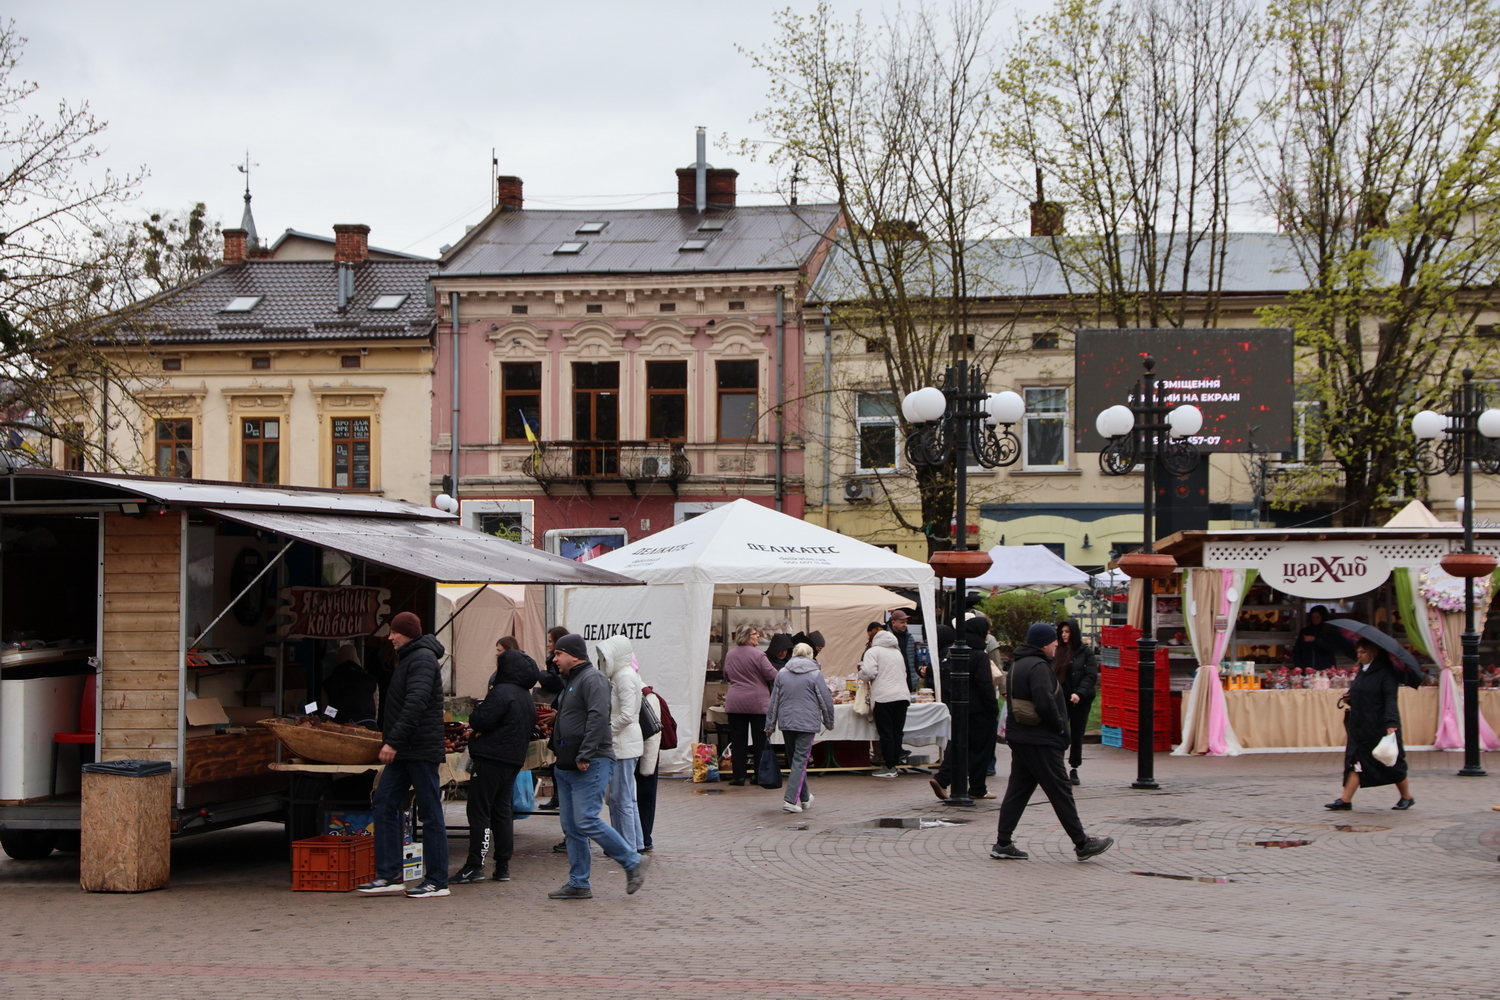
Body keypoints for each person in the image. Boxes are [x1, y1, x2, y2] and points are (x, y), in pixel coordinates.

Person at [990, 622, 1114, 863]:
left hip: (1022, 737)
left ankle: (1003, 842)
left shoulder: (1017, 664)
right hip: (1041, 739)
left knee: (1018, 791)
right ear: (1043, 644)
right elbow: (1045, 702)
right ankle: (1081, 843)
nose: (1057, 643)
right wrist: (1060, 727)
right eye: (1052, 640)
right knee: (1060, 790)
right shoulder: (1038, 667)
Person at [546, 633, 648, 899]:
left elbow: (598, 716)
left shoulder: (593, 679)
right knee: (572, 826)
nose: (554, 659)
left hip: (590, 762)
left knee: (586, 819)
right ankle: (579, 882)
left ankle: (632, 861)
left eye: (558, 654)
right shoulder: (572, 680)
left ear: (573, 656)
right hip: (568, 764)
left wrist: (586, 753)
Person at [357, 612, 451, 897]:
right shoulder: (410, 658)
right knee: (384, 802)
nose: (390, 637)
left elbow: (416, 702)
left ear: (407, 633)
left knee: (430, 813)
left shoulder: (421, 659)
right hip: (407, 750)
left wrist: (393, 741)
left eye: (394, 632)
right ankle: (389, 875)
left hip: (418, 749)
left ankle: (437, 881)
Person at [453, 641, 539, 884]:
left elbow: (481, 719)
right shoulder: (525, 696)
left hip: (491, 759)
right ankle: (502, 865)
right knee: (502, 812)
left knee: (479, 811)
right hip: (512, 761)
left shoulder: (501, 692)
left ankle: (475, 865)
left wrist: (475, 715)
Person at [1326, 638, 1415, 811]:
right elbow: (1362, 694)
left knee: (1391, 762)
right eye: (1358, 652)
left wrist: (1391, 723)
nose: (1359, 656)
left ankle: (1407, 796)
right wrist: (1350, 698)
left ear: (1372, 652)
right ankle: (1345, 799)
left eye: (1363, 652)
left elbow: (1390, 700)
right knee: (1356, 760)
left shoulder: (1386, 673)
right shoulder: (1362, 672)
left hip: (1379, 726)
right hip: (1360, 726)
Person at [930, 617, 999, 801]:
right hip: (980, 710)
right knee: (981, 750)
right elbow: (985, 685)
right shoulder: (979, 655)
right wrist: (993, 709)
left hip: (961, 709)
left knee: (959, 744)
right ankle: (977, 787)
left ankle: (943, 778)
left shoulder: (955, 652)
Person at [765, 642, 835, 813]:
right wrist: (829, 722)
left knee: (795, 760)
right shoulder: (815, 674)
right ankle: (790, 800)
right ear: (811, 655)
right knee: (800, 760)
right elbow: (826, 700)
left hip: (787, 722)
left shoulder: (782, 673)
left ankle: (805, 797)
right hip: (807, 722)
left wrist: (770, 725)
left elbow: (774, 701)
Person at [596, 634, 645, 851]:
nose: (603, 662)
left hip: (623, 744)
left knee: (620, 797)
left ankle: (625, 846)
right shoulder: (622, 675)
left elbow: (626, 715)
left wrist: (606, 732)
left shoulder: (624, 677)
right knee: (625, 797)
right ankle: (634, 842)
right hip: (623, 743)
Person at [722, 625, 778, 786]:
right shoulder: (759, 655)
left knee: (738, 740)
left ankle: (739, 776)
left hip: (735, 702)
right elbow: (773, 675)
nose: (758, 636)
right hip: (757, 702)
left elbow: (726, 675)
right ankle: (759, 775)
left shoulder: (730, 655)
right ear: (747, 636)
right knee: (759, 740)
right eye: (755, 634)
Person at [859, 628, 912, 777]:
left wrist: (860, 672)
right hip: (902, 695)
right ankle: (895, 762)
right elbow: (904, 672)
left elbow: (869, 673)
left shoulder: (873, 652)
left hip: (884, 697)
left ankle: (889, 766)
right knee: (897, 731)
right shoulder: (897, 652)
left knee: (886, 732)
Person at [1055, 619, 1099, 786]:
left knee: (1077, 732)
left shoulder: (1086, 653)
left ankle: (1074, 767)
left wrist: (1079, 693)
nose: (1064, 635)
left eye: (1067, 632)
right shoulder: (1058, 651)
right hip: (1062, 697)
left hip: (1081, 699)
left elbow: (1090, 675)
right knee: (1060, 731)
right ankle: (1057, 765)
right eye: (1062, 632)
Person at [637, 683, 675, 852]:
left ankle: (643, 837)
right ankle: (644, 837)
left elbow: (653, 737)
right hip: (646, 756)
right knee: (645, 797)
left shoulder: (648, 697)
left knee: (641, 796)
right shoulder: (649, 696)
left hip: (643, 756)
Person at [322, 643, 378, 728]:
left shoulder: (329, 682)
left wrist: (330, 720)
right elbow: (375, 706)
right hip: (368, 724)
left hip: (341, 725)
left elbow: (327, 709)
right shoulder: (371, 680)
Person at [1294, 606, 1346, 670]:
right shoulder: (1305, 631)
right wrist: (1299, 666)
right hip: (1307, 669)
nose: (1315, 619)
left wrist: (1316, 640)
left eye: (1318, 617)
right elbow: (1297, 650)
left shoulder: (1329, 631)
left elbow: (1331, 648)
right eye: (1313, 617)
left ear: (1323, 617)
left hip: (1325, 669)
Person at [887, 609, 921, 693]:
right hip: (892, 681)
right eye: (902, 622)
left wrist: (916, 674)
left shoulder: (909, 638)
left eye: (906, 622)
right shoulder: (886, 638)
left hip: (908, 680)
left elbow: (915, 659)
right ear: (893, 622)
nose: (905, 625)